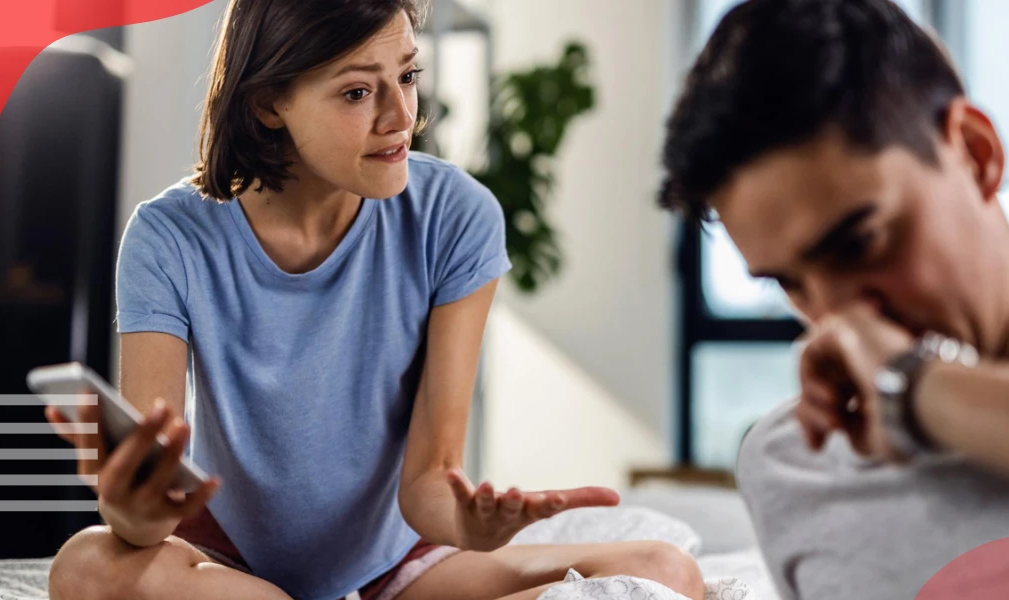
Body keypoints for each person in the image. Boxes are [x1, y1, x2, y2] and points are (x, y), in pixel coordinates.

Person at [44, 2, 706, 600]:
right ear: (269, 103)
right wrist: (133, 509)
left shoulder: (458, 216)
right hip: (228, 566)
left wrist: (473, 527)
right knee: (85, 567)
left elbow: (428, 486)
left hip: (399, 566)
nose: (401, 118)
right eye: (358, 91)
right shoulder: (169, 236)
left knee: (663, 569)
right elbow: (147, 499)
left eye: (409, 77)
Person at [658, 0, 1009, 598]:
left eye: (860, 244)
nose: (837, 319)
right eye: (787, 282)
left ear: (975, 153)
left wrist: (912, 387)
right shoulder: (789, 465)